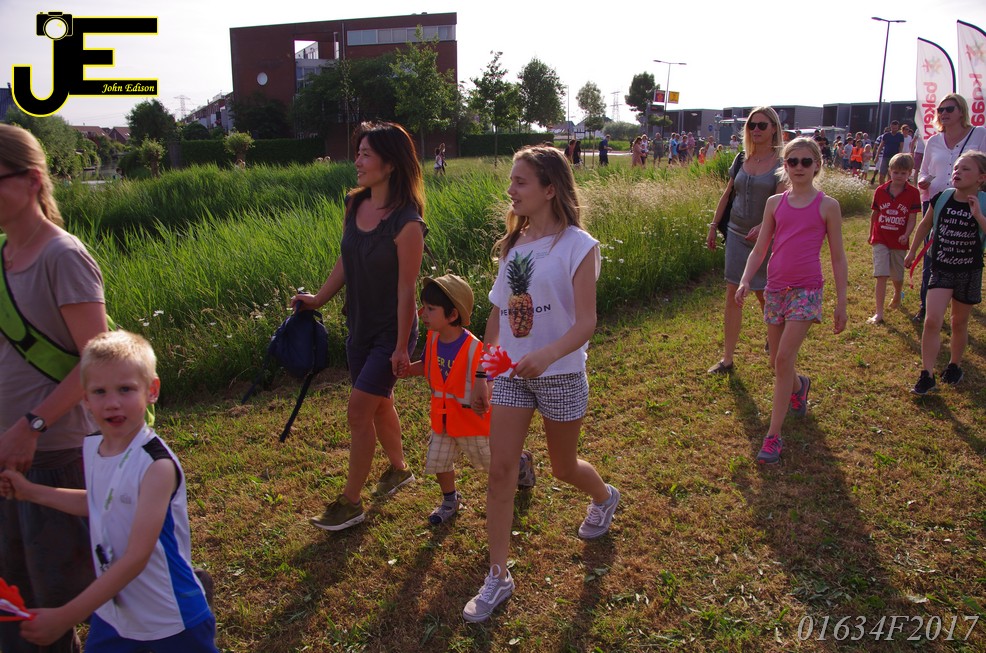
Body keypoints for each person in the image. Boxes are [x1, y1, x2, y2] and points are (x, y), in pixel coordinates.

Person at [462, 146, 618, 623]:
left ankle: (604, 497)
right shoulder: (513, 246)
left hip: (561, 374)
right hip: (512, 374)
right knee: (500, 471)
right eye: (511, 181)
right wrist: (484, 372)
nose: (510, 190)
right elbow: (497, 317)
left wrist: (547, 355)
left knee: (563, 466)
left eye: (521, 181)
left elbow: (586, 321)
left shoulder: (579, 245)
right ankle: (498, 575)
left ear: (550, 189)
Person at [0, 331, 218, 652]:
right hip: (115, 614)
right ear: (85, 399)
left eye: (126, 389)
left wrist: (66, 616)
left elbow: (136, 558)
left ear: (152, 390)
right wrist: (29, 492)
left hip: (170, 617)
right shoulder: (93, 446)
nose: (112, 402)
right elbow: (100, 502)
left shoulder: (156, 465)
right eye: (99, 391)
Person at [0, 123, 108, 653]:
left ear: (32, 180)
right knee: (14, 604)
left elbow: (98, 359)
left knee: (56, 604)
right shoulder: (3, 255)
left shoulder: (61, 256)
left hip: (52, 452)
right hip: (7, 452)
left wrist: (32, 424)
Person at [293, 121, 425, 531]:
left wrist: (401, 347)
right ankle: (399, 470)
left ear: (390, 164)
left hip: (391, 333)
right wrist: (317, 299)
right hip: (359, 327)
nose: (358, 161)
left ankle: (351, 503)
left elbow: (407, 291)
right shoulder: (355, 204)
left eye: (366, 154)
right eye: (358, 153)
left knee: (358, 412)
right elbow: (345, 259)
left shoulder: (408, 223)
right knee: (380, 403)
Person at [736, 137, 848, 464]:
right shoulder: (774, 203)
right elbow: (760, 248)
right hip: (775, 289)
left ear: (817, 166)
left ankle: (773, 436)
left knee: (784, 358)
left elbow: (838, 257)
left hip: (806, 291)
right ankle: (800, 387)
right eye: (792, 161)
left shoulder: (828, 206)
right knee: (776, 362)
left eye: (805, 162)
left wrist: (841, 303)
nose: (799, 167)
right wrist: (745, 279)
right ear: (784, 166)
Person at [403, 275, 535, 526]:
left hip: (472, 422)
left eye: (430, 309)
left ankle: (521, 463)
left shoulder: (475, 348)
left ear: (452, 314)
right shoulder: (432, 338)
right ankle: (450, 500)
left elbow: (490, 377)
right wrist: (409, 369)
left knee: (493, 463)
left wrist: (486, 393)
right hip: (443, 419)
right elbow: (427, 364)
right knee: (439, 460)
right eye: (423, 306)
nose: (423, 313)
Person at [705, 106, 786, 375]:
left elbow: (780, 203)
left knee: (764, 293)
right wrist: (714, 225)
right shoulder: (741, 158)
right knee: (733, 293)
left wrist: (764, 227)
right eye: (752, 125)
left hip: (765, 240)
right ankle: (727, 359)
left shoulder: (781, 163)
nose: (756, 130)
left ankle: (773, 334)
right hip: (736, 234)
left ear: (773, 128)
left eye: (762, 125)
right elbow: (728, 193)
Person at [904, 150, 986, 395]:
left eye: (966, 169)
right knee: (932, 320)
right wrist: (912, 252)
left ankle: (954, 365)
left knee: (958, 322)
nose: (957, 171)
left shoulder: (983, 202)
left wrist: (978, 215)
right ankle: (927, 374)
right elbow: (925, 224)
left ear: (981, 177)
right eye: (957, 167)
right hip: (941, 267)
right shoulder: (942, 198)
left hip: (969, 271)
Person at [913, 94, 986, 323]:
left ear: (961, 111)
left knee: (964, 250)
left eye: (949, 109)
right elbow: (924, 171)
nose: (943, 113)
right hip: (938, 202)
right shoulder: (933, 140)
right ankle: (927, 306)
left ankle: (961, 299)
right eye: (940, 109)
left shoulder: (980, 134)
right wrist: (923, 181)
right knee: (933, 253)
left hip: (968, 203)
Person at [867, 153, 920, 324]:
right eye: (896, 172)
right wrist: (871, 233)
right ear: (890, 171)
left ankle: (897, 292)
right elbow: (875, 213)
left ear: (910, 173)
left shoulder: (913, 193)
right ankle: (879, 313)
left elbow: (912, 218)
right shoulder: (880, 190)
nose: (899, 176)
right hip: (880, 237)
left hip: (899, 240)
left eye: (903, 173)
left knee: (897, 274)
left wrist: (906, 234)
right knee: (881, 274)